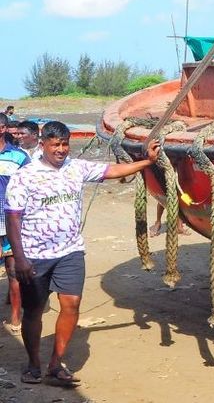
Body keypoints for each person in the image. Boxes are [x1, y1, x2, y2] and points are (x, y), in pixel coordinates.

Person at [5, 121, 161, 387]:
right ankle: (33, 363)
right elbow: (12, 218)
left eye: (65, 144)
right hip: (34, 256)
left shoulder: (76, 168)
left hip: (70, 252)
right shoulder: (25, 175)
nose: (61, 150)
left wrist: (146, 163)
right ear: (43, 144)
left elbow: (112, 170)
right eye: (55, 144)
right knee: (34, 312)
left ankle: (55, 364)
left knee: (72, 305)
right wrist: (19, 257)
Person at [0, 115, 29, 333]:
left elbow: (30, 185)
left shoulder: (19, 157)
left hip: (10, 221)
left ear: (2, 128)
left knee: (13, 270)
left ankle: (16, 316)